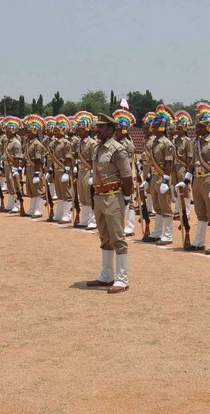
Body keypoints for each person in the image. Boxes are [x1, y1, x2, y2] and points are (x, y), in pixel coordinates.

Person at [86, 113, 135, 294]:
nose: (97, 129)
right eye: (97, 126)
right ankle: (107, 275)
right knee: (104, 237)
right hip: (99, 197)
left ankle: (123, 279)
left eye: (101, 127)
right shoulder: (98, 148)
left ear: (110, 129)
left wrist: (127, 199)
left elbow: (127, 177)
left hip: (114, 196)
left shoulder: (117, 149)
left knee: (118, 239)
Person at [177, 103, 210, 254]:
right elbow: (191, 163)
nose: (198, 129)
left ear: (209, 127)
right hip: (196, 179)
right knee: (200, 211)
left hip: (209, 179)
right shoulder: (194, 142)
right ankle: (199, 240)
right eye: (197, 127)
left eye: (201, 127)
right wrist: (186, 180)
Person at [142, 106, 176, 245]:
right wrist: (148, 179)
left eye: (155, 127)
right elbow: (152, 163)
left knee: (165, 207)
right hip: (154, 177)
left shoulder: (166, 144)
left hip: (163, 178)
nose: (153, 129)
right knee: (157, 206)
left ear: (162, 127)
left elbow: (168, 164)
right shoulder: (154, 142)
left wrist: (165, 181)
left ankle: (167, 234)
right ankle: (157, 232)